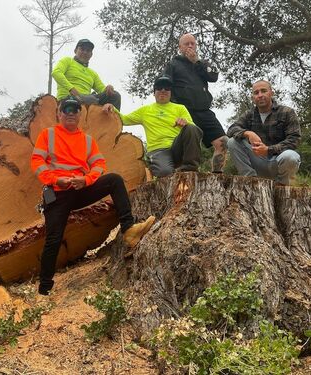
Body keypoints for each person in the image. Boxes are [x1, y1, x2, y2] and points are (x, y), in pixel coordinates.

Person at [31, 97, 155, 296]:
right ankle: (45, 287)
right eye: (66, 109)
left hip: (81, 189)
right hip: (57, 193)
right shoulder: (48, 134)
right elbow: (37, 162)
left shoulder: (87, 139)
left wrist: (86, 180)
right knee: (53, 238)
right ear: (59, 113)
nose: (71, 113)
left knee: (114, 179)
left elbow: (99, 164)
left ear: (80, 114)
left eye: (75, 109)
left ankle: (129, 229)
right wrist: (56, 180)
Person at [103, 75, 203, 177]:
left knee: (191, 128)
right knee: (165, 173)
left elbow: (194, 130)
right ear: (154, 92)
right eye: (159, 87)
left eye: (167, 88)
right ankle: (158, 167)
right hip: (158, 150)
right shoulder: (145, 110)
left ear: (171, 92)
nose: (163, 90)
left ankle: (190, 170)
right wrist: (112, 107)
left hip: (177, 148)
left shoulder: (180, 108)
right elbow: (124, 120)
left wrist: (185, 123)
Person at [163, 33, 228, 173]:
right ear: (180, 47)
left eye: (193, 43)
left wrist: (196, 62)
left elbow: (213, 77)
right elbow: (165, 85)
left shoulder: (202, 64)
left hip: (204, 110)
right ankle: (185, 174)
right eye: (186, 44)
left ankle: (217, 176)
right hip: (184, 111)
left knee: (223, 141)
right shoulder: (173, 64)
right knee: (187, 145)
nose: (190, 46)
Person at [226, 80, 301, 185]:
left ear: (271, 93)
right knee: (232, 142)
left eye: (263, 91)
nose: (260, 95)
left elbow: (294, 140)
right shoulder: (249, 114)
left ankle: (281, 186)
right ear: (253, 97)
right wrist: (248, 133)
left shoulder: (287, 112)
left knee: (291, 157)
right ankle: (251, 181)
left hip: (278, 162)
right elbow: (231, 129)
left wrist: (268, 150)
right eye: (256, 93)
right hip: (258, 162)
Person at [52, 38, 121, 110]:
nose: (85, 52)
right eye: (82, 49)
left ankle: (115, 120)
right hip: (68, 97)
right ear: (75, 51)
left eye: (88, 51)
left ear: (91, 54)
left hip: (87, 99)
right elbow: (56, 73)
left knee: (115, 95)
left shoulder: (92, 73)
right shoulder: (67, 61)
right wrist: (71, 89)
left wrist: (108, 89)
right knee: (89, 98)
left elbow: (102, 90)